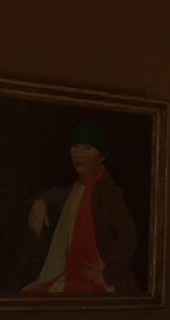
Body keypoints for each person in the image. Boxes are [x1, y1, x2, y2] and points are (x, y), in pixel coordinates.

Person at [23, 121, 138, 294]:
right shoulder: (78, 187)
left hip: (97, 279)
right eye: (75, 147)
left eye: (87, 148)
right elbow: (58, 195)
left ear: (102, 156)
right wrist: (40, 202)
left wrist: (107, 275)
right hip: (71, 272)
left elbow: (129, 235)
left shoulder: (108, 191)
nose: (78, 154)